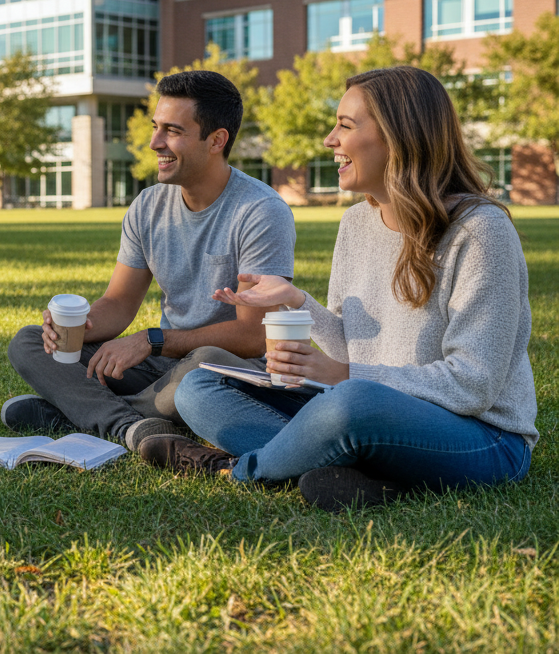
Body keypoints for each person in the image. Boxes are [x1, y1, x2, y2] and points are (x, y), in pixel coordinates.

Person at [145, 66, 537, 512]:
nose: (330, 140)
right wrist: (296, 302)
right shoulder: (356, 223)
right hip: (367, 409)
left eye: (345, 126)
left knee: (352, 401)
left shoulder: (481, 231)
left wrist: (345, 377)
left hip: (482, 438)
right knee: (199, 388)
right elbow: (354, 348)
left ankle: (236, 469)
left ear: (398, 136)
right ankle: (350, 473)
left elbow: (474, 384)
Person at [4, 71, 296, 451]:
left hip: (223, 370)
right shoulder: (148, 206)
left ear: (216, 140)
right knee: (27, 342)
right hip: (162, 368)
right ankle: (130, 424)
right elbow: (119, 304)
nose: (155, 142)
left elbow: (254, 336)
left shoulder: (260, 211)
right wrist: (75, 329)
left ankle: (86, 414)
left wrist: (152, 340)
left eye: (172, 131)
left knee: (201, 364)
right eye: (156, 127)